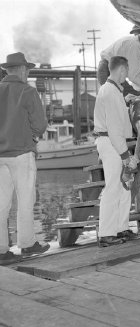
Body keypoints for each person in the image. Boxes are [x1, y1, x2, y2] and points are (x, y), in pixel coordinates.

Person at [0, 52, 50, 265]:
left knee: (1, 204)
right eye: (27, 70)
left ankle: (1, 250)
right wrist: (34, 134)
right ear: (21, 69)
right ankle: (27, 244)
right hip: (21, 153)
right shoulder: (27, 91)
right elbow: (40, 124)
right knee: (26, 200)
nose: (28, 73)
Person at [93, 56, 140, 247]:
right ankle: (106, 233)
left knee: (124, 186)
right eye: (127, 71)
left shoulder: (112, 91)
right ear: (122, 70)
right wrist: (125, 155)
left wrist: (125, 101)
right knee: (113, 186)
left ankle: (121, 228)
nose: (127, 75)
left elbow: (114, 120)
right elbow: (114, 129)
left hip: (112, 142)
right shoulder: (111, 93)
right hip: (112, 143)